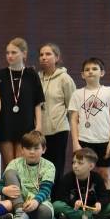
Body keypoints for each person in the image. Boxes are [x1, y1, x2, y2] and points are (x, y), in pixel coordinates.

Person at [69, 57, 110, 188]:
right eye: (87, 69)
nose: (90, 71)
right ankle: (84, 199)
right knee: (82, 173)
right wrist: (75, 143)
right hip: (84, 140)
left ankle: (105, 201)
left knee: (105, 174)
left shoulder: (109, 91)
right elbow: (73, 120)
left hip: (104, 140)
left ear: (102, 73)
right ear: (82, 74)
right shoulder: (77, 94)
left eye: (94, 69)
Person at [0, 37, 44, 166]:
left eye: (14, 52)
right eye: (7, 53)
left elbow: (37, 103)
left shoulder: (31, 74)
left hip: (25, 125)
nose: (10, 56)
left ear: (24, 53)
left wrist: (39, 125)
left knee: (21, 164)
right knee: (10, 165)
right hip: (5, 125)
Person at [38, 43, 76, 176]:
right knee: (40, 169)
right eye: (41, 54)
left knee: (56, 168)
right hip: (40, 132)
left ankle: (57, 191)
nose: (44, 57)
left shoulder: (65, 79)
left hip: (58, 130)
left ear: (57, 57)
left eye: (48, 54)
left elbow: (73, 108)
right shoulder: (36, 78)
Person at [2, 131, 55, 219]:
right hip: (18, 201)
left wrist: (36, 201)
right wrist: (3, 190)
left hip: (39, 202)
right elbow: (0, 185)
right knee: (10, 173)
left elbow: (46, 189)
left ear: (43, 149)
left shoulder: (49, 166)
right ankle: (19, 212)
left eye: (36, 148)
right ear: (22, 150)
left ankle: (20, 216)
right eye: (28, 148)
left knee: (45, 214)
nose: (32, 152)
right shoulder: (14, 163)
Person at [52, 148, 110, 219]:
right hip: (75, 209)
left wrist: (100, 203)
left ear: (91, 166)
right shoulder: (67, 178)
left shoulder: (97, 178)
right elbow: (62, 197)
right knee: (56, 205)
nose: (75, 166)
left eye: (80, 163)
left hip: (91, 209)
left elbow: (104, 196)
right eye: (74, 162)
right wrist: (73, 203)